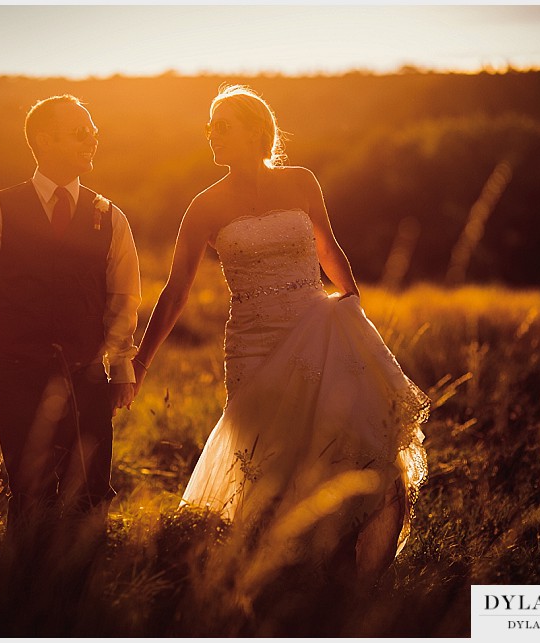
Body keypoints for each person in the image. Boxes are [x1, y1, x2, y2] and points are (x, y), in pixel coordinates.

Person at [132, 85, 429, 587]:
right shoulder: (204, 206)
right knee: (268, 464)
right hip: (252, 344)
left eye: (222, 125)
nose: (211, 135)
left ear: (255, 131)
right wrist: (140, 362)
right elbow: (175, 290)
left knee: (351, 443)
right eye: (208, 126)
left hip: (316, 329)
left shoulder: (300, 182)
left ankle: (347, 576)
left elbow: (327, 248)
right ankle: (273, 578)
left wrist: (352, 301)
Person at [0, 95, 140, 533]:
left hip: (88, 375)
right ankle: (25, 585)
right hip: (16, 373)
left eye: (94, 131)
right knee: (29, 495)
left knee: (90, 494)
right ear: (45, 140)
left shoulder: (111, 218)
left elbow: (123, 298)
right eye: (80, 132)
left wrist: (122, 365)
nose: (93, 139)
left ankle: (83, 586)